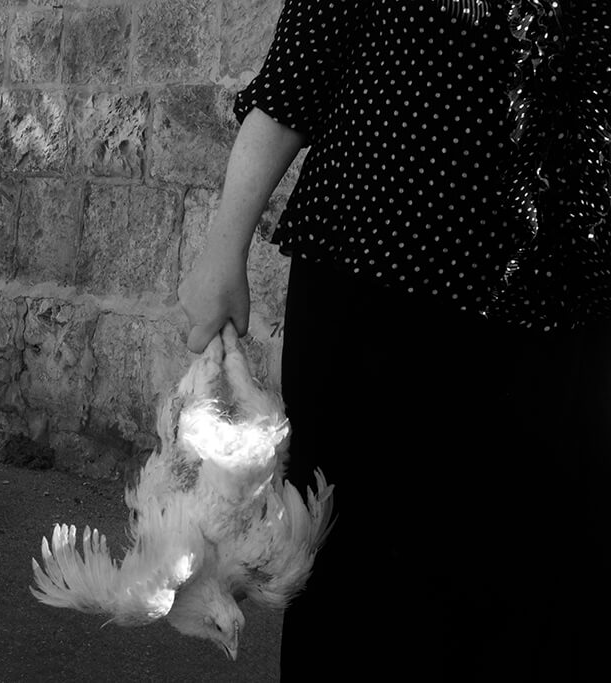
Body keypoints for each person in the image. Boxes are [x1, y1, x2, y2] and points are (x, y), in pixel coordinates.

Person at [178, 1, 609, 681]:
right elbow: (300, 72)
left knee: (537, 588)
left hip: (557, 310)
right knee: (365, 595)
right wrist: (222, 247)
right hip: (376, 281)